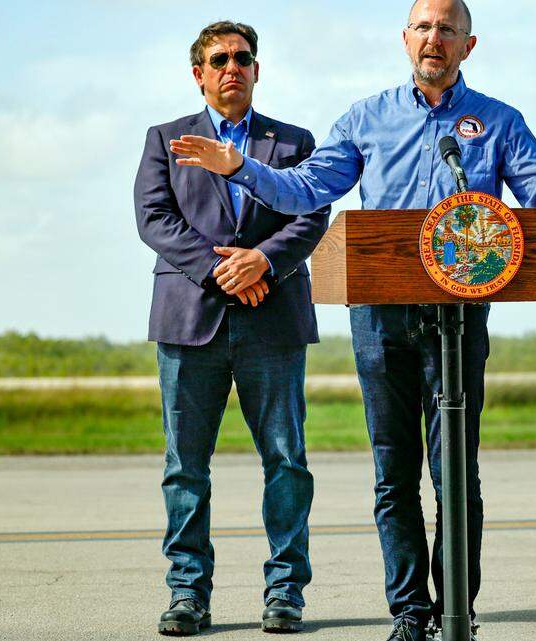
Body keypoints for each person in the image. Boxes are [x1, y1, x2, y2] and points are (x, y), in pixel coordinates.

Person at [167, 2, 536, 639]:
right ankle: (409, 611)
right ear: (406, 39)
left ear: (468, 44)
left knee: (457, 470)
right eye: (424, 28)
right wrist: (239, 167)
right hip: (380, 316)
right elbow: (304, 190)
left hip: (459, 319)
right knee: (393, 470)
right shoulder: (365, 119)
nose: (435, 39)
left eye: (448, 30)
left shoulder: (498, 121)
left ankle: (459, 605)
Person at [134, 20, 329, 636]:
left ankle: (285, 594)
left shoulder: (293, 142)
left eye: (243, 58)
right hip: (191, 322)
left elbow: (312, 212)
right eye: (219, 59)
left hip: (273, 321)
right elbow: (154, 218)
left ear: (257, 69)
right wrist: (222, 273)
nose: (232, 68)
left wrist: (262, 261)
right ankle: (187, 593)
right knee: (185, 466)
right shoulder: (165, 138)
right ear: (199, 73)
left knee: (287, 462)